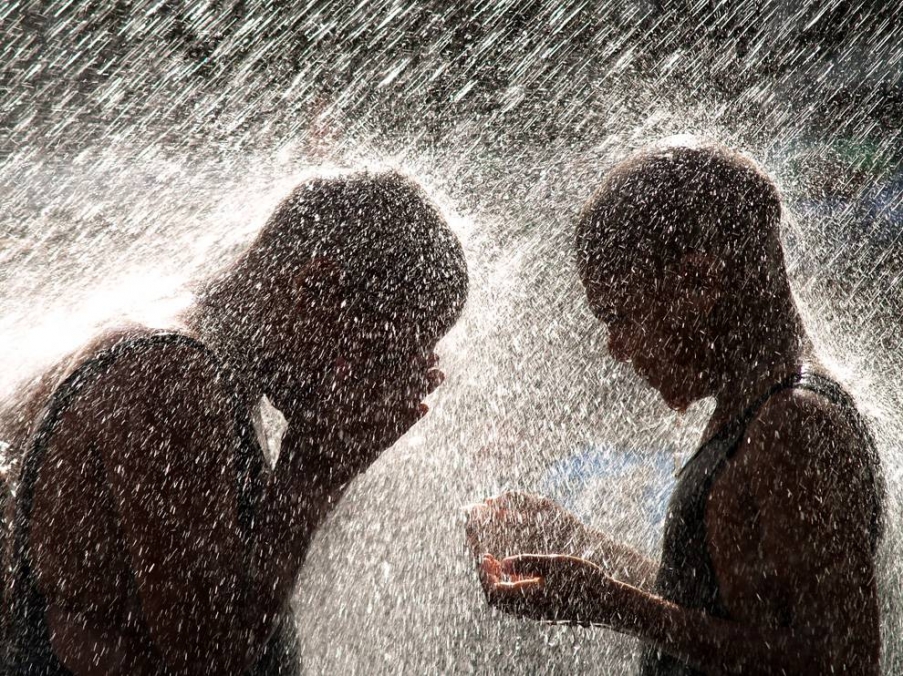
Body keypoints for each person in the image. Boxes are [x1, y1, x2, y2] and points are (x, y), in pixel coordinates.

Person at [1, 171, 468, 675]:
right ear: (317, 287)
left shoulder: (203, 361)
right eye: (391, 351)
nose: (394, 380)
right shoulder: (169, 377)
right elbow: (210, 661)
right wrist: (313, 474)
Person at [465, 138, 884, 675]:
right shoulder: (752, 409)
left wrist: (613, 603)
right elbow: (713, 610)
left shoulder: (793, 423)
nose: (615, 345)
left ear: (696, 281)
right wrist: (582, 546)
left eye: (619, 315)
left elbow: (841, 662)